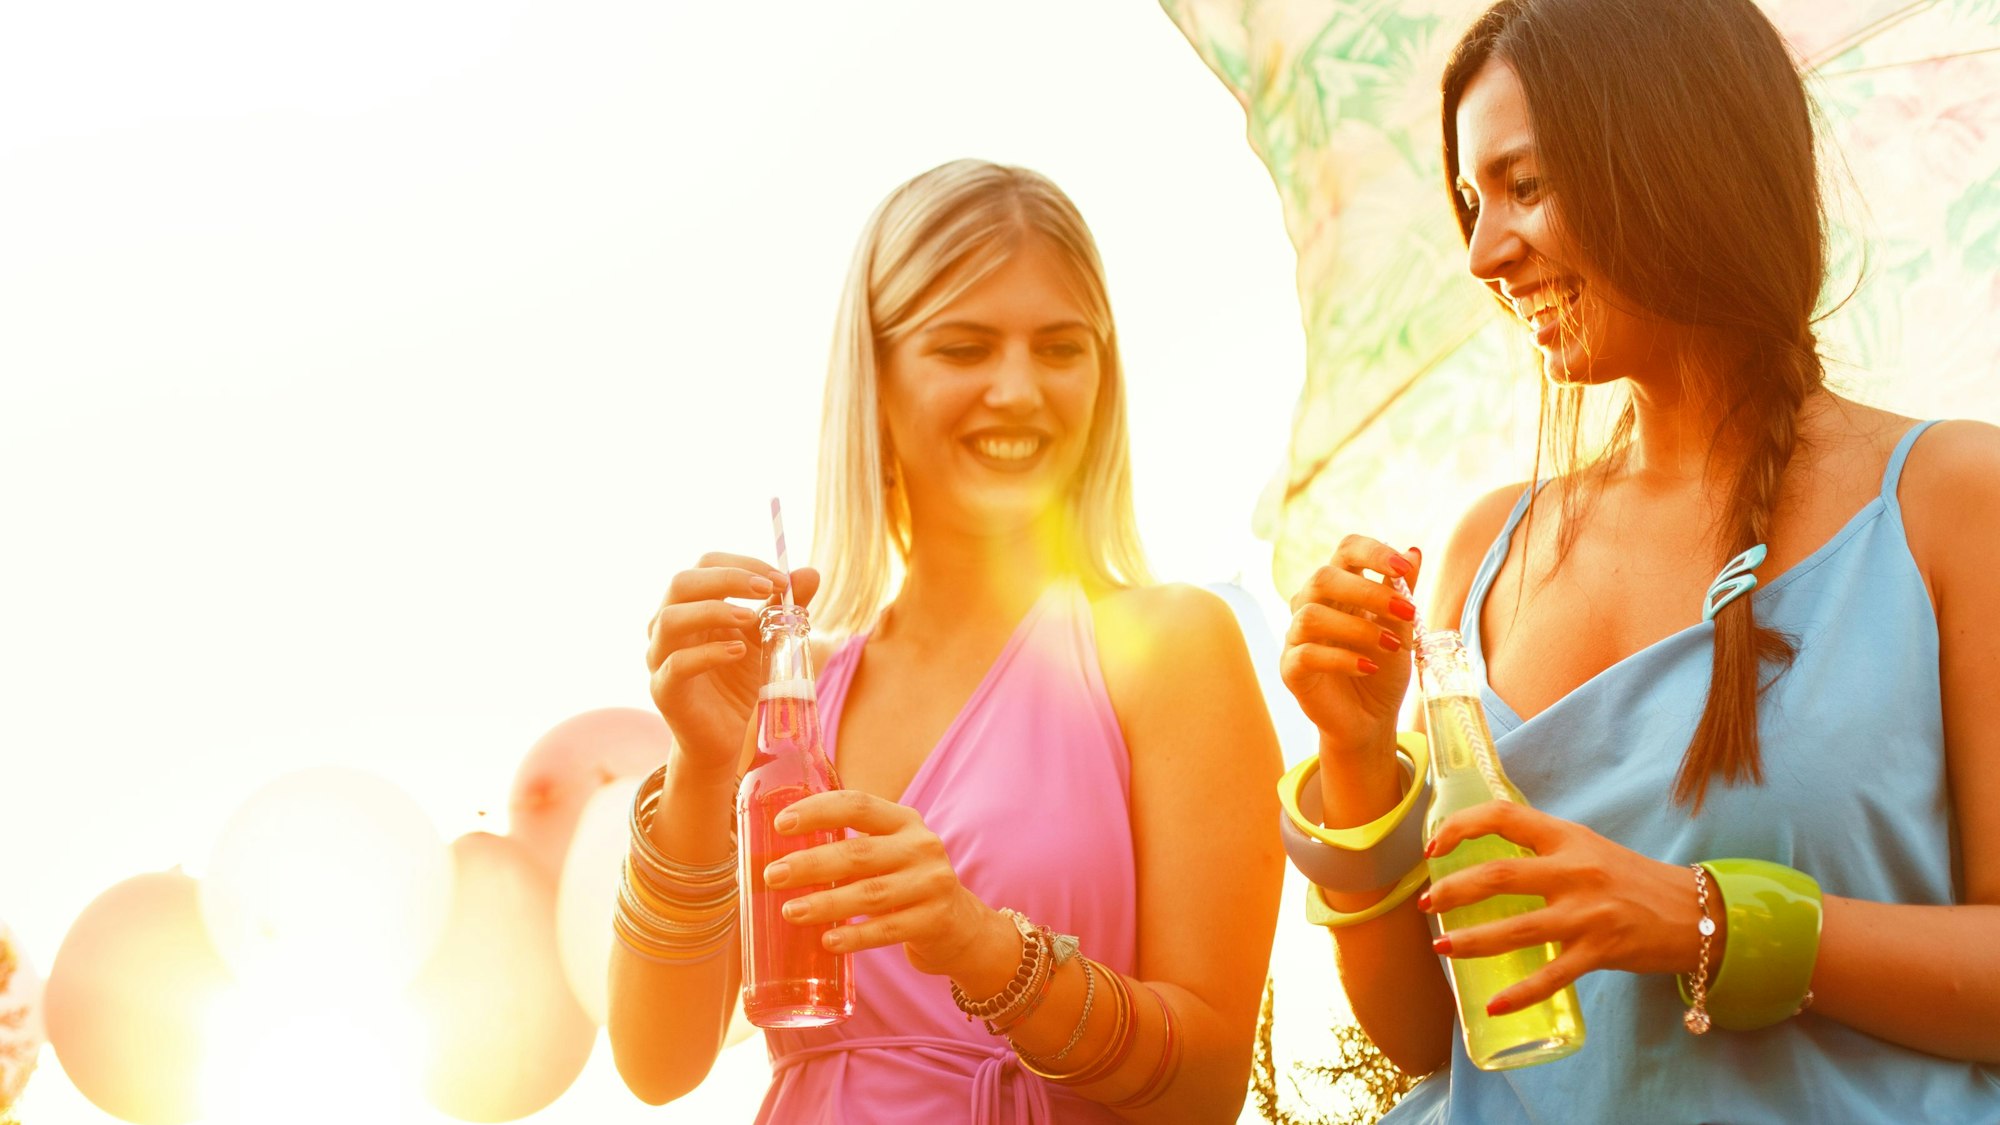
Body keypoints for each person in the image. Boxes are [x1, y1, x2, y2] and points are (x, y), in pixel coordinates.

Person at [1277, 0, 2000, 1121]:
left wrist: (1697, 919)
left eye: (1523, 185)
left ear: (1676, 157)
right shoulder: (1485, 550)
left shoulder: (1951, 502)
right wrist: (1356, 754)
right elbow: (1431, 1034)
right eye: (1470, 201)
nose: (1481, 253)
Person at [612, 158, 1284, 1122]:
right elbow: (656, 1062)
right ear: (875, 380)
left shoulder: (1167, 646)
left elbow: (1208, 1088)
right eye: (964, 347)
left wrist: (985, 949)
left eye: (1060, 348)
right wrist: (700, 765)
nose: (1018, 390)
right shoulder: (799, 705)